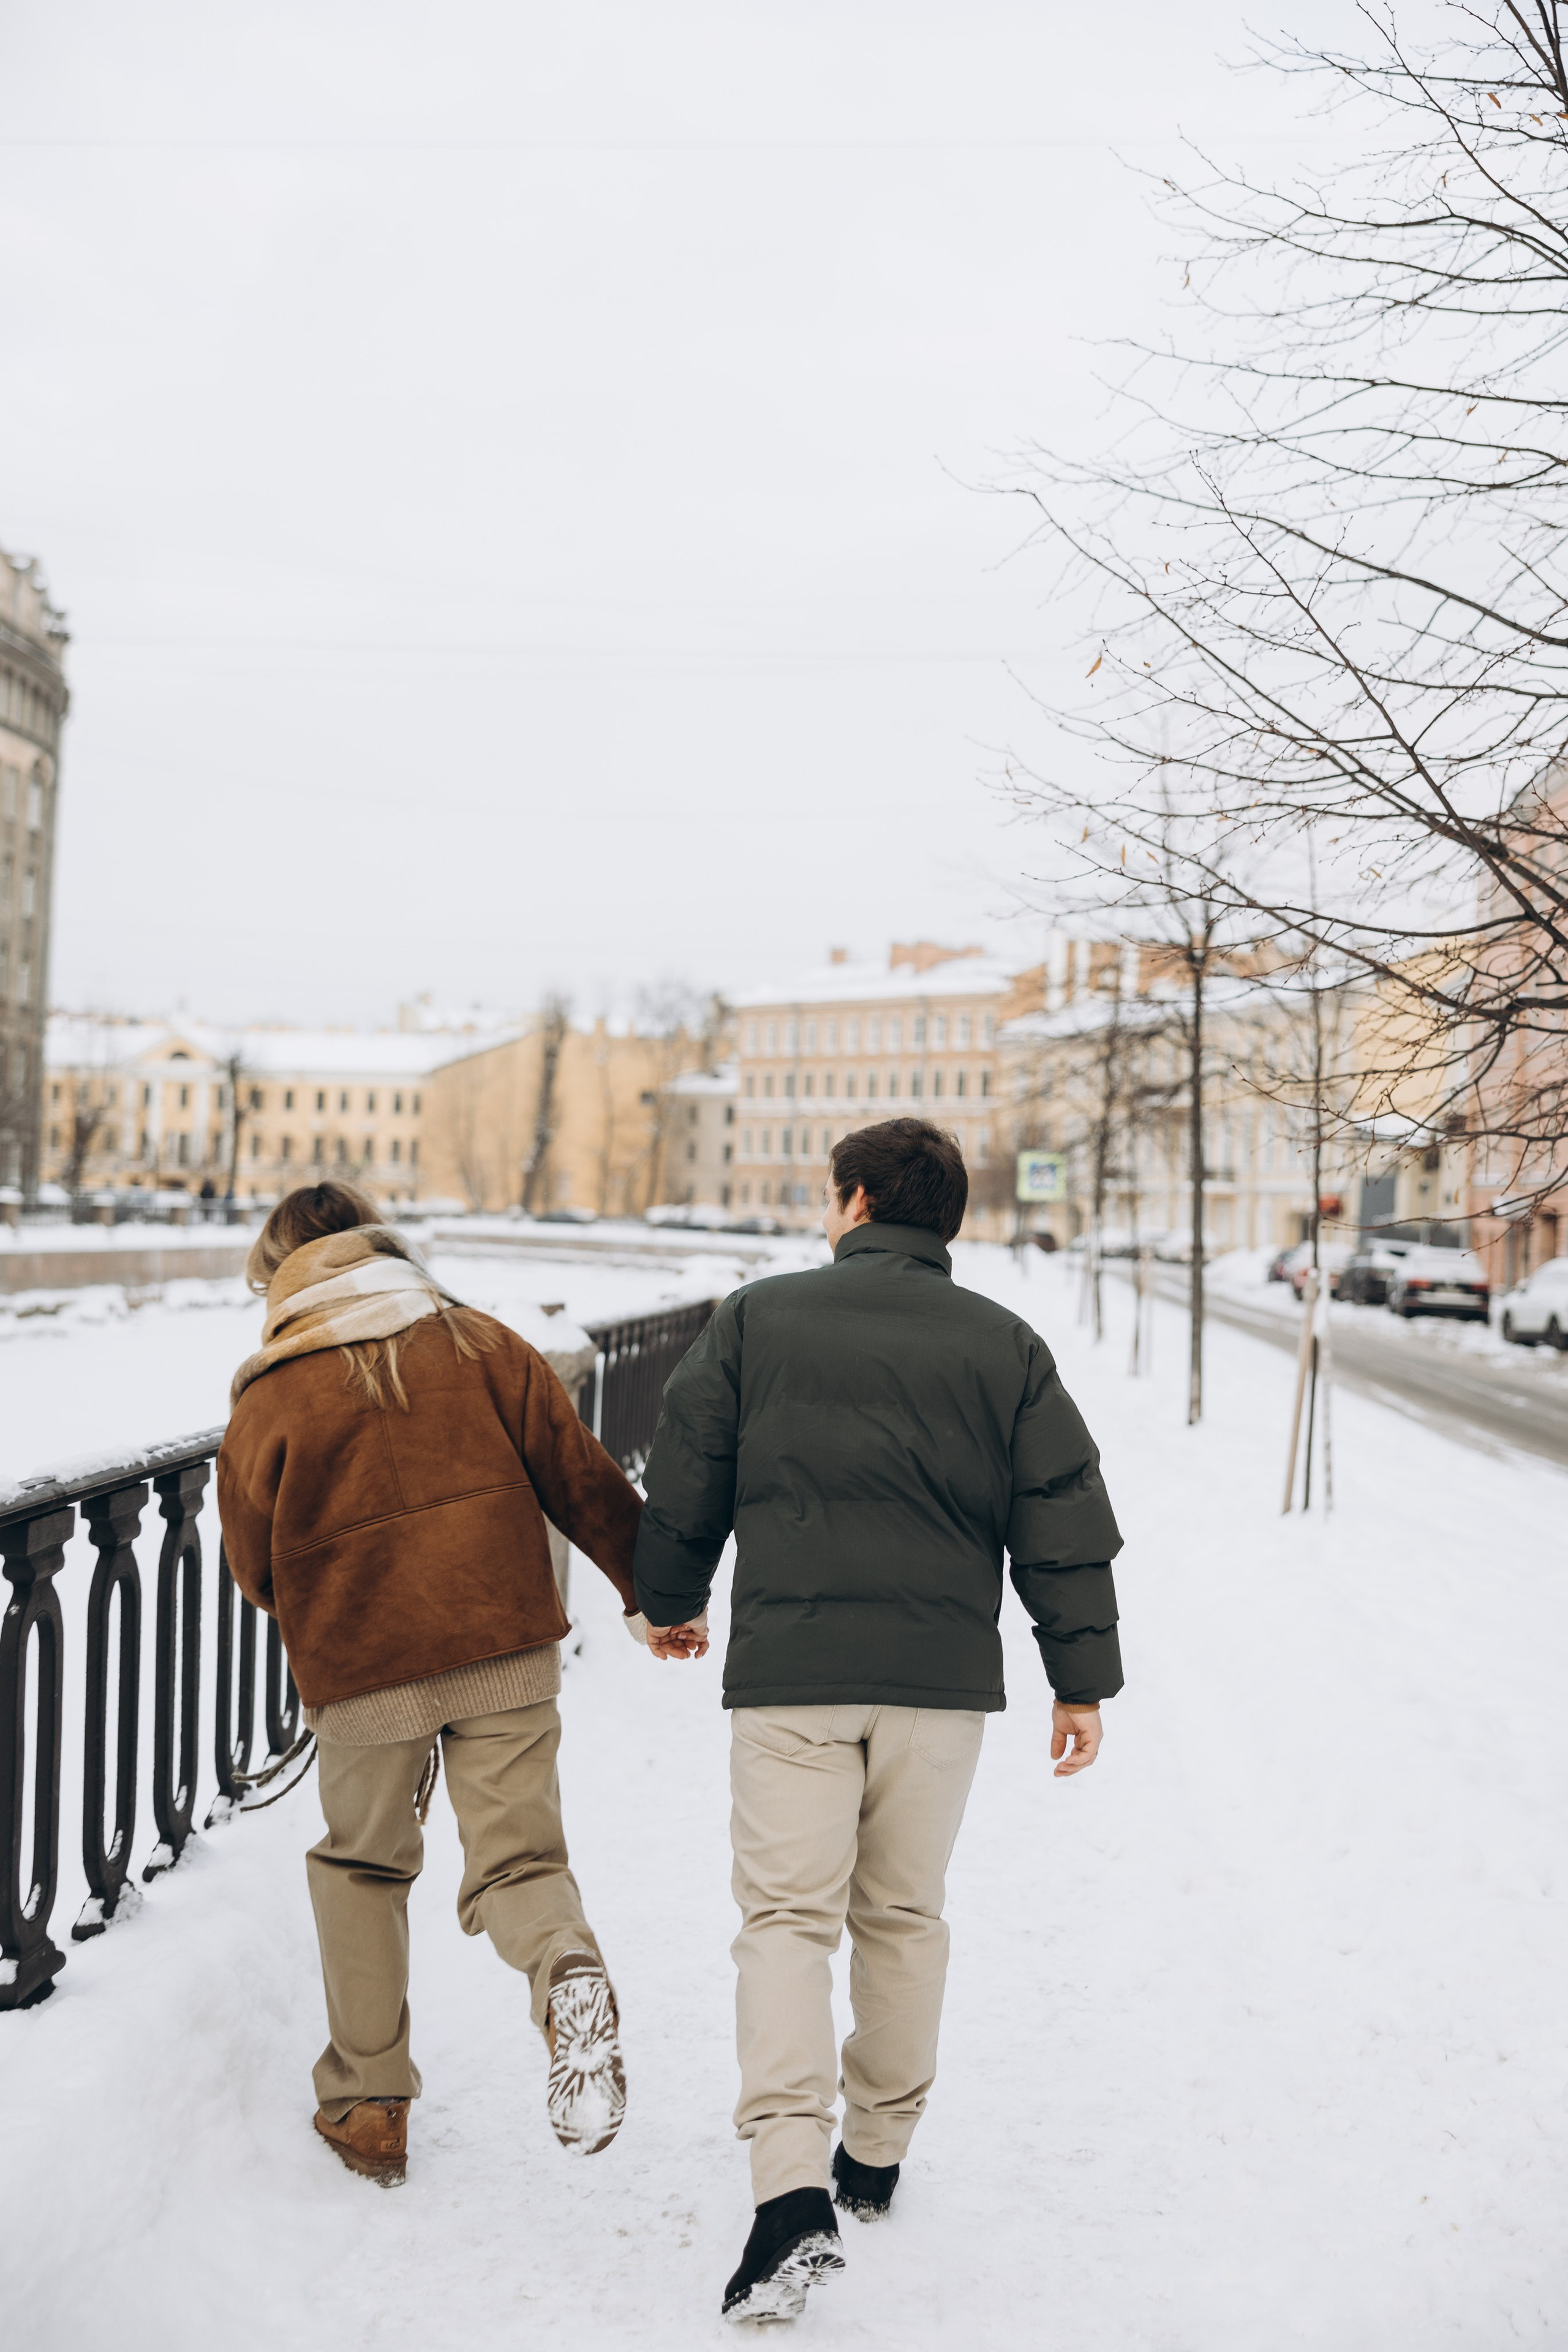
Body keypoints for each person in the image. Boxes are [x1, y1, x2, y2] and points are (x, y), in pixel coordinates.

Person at [632, 1118, 1123, 2323]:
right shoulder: (1004, 1345)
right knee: (902, 1915)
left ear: (854, 1202)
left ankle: (788, 2191)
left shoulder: (758, 1319)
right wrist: (1078, 1680)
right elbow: (1059, 1513)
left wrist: (670, 1603)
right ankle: (875, 2155)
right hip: (938, 1686)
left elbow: (686, 1461)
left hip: (794, 1677)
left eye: (826, 1195)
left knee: (787, 1924)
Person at [217, 1180, 643, 2185]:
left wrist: (322, 1608)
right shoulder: (481, 1343)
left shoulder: (271, 1390)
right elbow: (580, 1476)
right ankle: (566, 1974)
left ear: (280, 1275)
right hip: (502, 1642)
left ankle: (370, 2106)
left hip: (362, 1665)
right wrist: (652, 1595)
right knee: (519, 1863)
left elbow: (253, 1567)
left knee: (363, 1869)